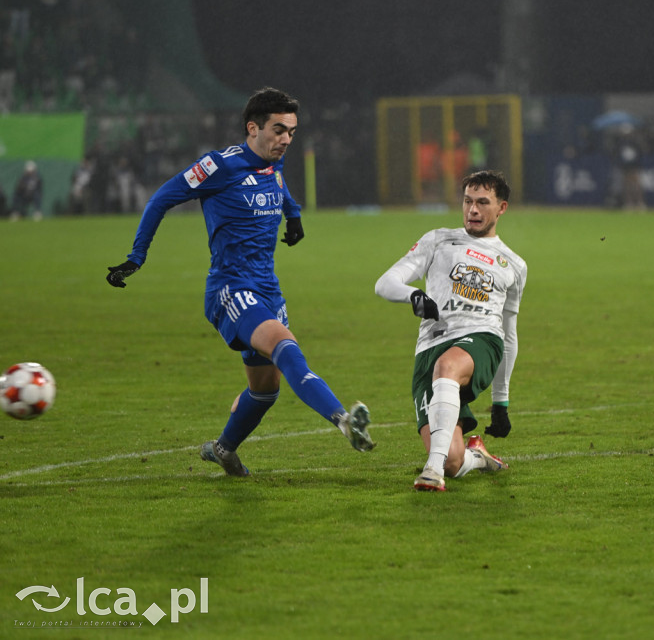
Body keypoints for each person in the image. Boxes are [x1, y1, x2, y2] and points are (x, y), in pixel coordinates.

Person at [106, 87, 374, 476]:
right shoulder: (218, 166)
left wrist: (293, 215)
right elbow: (160, 199)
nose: (286, 139)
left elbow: (277, 180)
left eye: (292, 132)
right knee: (285, 346)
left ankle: (223, 449)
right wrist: (137, 256)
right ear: (253, 128)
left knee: (265, 391)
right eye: (279, 130)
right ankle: (344, 420)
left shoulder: (274, 160)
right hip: (230, 289)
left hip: (268, 289)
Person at [375, 170, 527, 492]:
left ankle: (431, 472)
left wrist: (501, 402)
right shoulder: (438, 240)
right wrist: (414, 296)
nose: (473, 210)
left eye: (482, 203)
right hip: (429, 349)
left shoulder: (513, 264)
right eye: (468, 201)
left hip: (482, 339)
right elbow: (385, 283)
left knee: (448, 365)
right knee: (452, 460)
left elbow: (510, 334)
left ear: (501, 208)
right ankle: (474, 457)